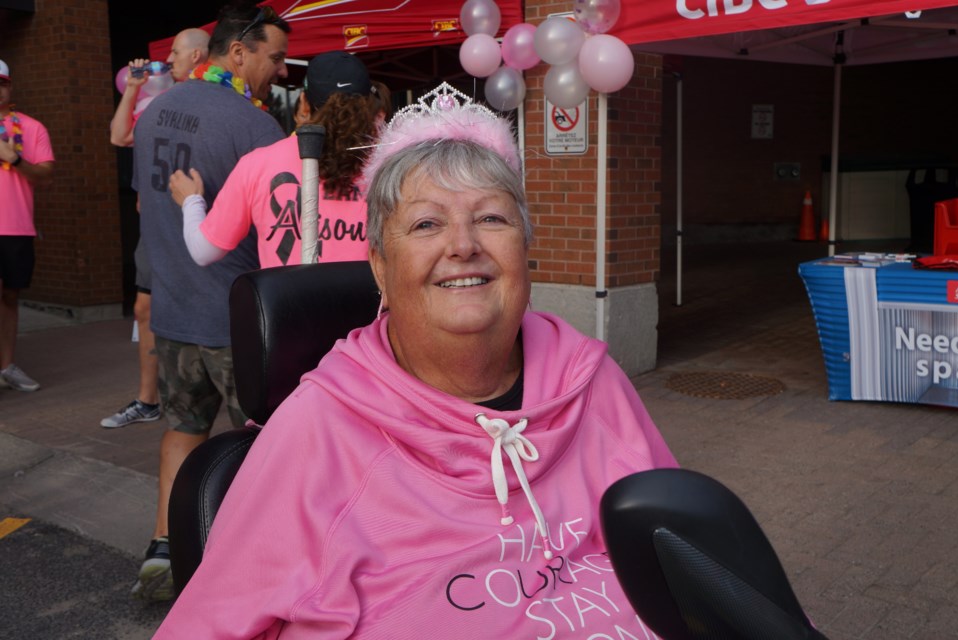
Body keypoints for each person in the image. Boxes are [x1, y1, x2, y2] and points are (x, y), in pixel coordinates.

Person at [153, 83, 677, 638]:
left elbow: (687, 547)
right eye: (427, 224)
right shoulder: (318, 430)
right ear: (379, 265)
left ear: (526, 247)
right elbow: (210, 623)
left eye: (492, 219)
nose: (463, 245)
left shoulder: (591, 382)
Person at [130, 0, 290, 602]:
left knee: (181, 428)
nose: (278, 69)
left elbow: (146, 207)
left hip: (172, 312)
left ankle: (164, 550)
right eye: (273, 57)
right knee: (259, 444)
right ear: (238, 50)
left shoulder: (153, 111)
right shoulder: (254, 126)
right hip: (235, 317)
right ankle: (250, 568)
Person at [168, 50, 381, 268]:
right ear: (370, 104)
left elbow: (203, 251)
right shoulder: (389, 164)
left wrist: (191, 200)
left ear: (304, 103)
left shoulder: (258, 164)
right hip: (370, 301)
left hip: (289, 301)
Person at [102, 29, 210, 430]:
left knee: (207, 303)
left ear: (197, 55)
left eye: (175, 51)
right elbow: (118, 136)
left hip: (200, 215)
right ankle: (148, 400)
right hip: (157, 223)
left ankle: (218, 399)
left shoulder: (215, 98)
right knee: (144, 307)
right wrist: (132, 88)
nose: (168, 58)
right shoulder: (158, 101)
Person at [0, 59, 55, 394]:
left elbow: (46, 175)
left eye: (2, 82)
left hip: (16, 226)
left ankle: (7, 365)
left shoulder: (32, 128)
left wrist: (15, 159)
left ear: (10, 86)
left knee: (9, 296)